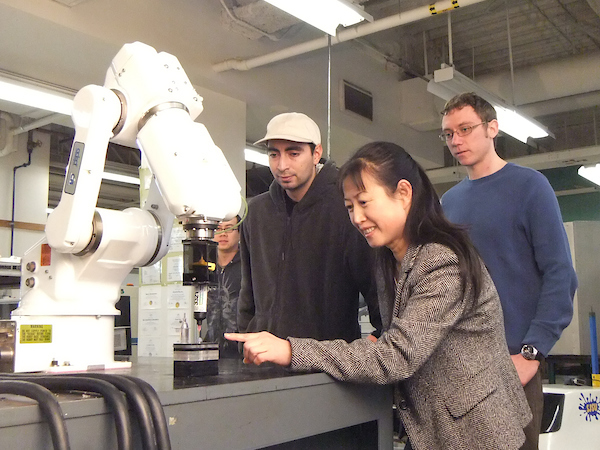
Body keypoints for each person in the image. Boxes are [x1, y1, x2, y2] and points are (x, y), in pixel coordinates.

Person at [227, 142, 532, 450]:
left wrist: (291, 350)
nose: (357, 218)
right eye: (349, 207)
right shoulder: (389, 260)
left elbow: (396, 356)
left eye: (364, 202)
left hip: (476, 436)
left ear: (403, 193)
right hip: (428, 430)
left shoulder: (443, 261)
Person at [439, 92, 577, 449]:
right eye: (449, 133)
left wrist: (532, 352)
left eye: (465, 129)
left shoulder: (530, 186)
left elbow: (560, 275)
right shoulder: (448, 203)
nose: (456, 140)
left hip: (514, 365)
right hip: (459, 370)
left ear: (492, 128)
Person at [238, 112, 382, 342]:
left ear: (316, 153)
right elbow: (248, 295)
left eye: (293, 153)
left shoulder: (346, 208)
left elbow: (376, 287)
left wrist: (379, 338)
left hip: (325, 367)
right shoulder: (256, 213)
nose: (282, 165)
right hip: (264, 365)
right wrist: (246, 339)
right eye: (274, 154)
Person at [205, 215, 242, 358]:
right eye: (218, 229)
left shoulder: (250, 263)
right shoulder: (204, 265)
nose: (223, 234)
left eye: (229, 228)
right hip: (211, 348)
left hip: (242, 349)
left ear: (240, 233)